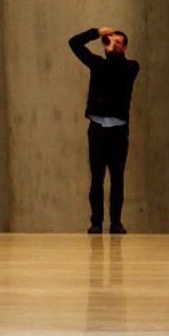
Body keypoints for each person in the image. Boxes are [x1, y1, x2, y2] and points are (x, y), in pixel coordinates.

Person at [68, 25, 139, 233]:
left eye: (118, 43)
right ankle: (96, 222)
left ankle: (116, 222)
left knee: (117, 177)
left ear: (124, 48)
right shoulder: (98, 64)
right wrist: (95, 32)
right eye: (111, 41)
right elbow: (73, 43)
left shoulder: (131, 67)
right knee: (97, 178)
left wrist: (110, 50)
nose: (113, 45)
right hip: (98, 128)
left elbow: (117, 67)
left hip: (118, 130)